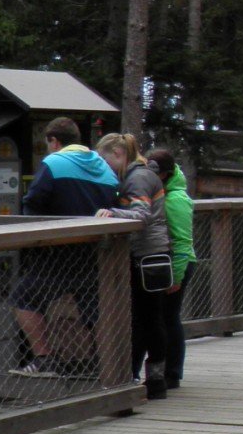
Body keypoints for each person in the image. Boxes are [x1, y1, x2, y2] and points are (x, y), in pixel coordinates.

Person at [12, 117, 119, 374]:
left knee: (24, 297)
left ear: (54, 141)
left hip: (56, 251)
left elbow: (33, 202)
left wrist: (34, 240)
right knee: (94, 309)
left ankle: (44, 357)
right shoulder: (105, 168)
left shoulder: (55, 162)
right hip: (95, 252)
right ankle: (106, 362)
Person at [97, 132, 174, 398]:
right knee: (151, 319)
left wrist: (111, 212)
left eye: (107, 161)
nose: (106, 168)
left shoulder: (137, 178)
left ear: (118, 154)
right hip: (154, 255)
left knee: (146, 320)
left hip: (145, 257)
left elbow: (142, 215)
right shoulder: (143, 174)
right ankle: (154, 380)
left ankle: (143, 379)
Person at [149, 149, 195, 390]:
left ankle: (173, 371)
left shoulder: (176, 199)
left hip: (178, 263)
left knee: (169, 317)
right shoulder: (163, 193)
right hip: (166, 263)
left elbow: (182, 241)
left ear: (165, 174)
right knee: (163, 317)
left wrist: (175, 276)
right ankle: (166, 369)